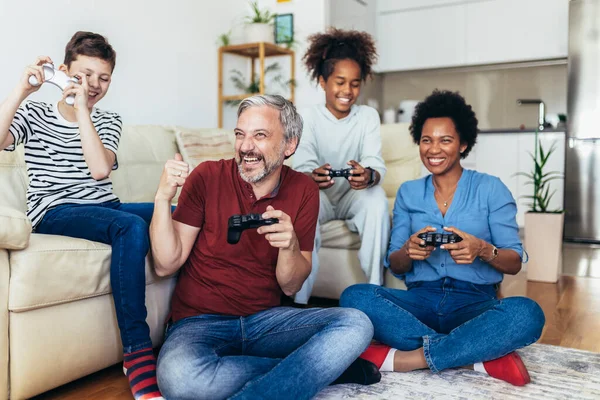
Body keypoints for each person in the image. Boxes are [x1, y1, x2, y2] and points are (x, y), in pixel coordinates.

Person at [150, 95, 380, 400]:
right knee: (180, 379)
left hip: (268, 322)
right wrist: (162, 198)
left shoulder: (303, 189)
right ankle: (318, 370)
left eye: (259, 135)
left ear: (289, 145)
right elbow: (166, 264)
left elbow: (292, 283)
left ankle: (291, 378)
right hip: (199, 322)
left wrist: (290, 246)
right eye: (240, 134)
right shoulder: (207, 176)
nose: (246, 147)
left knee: (356, 323)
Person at [340, 90, 546, 386]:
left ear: (463, 144)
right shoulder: (409, 193)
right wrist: (409, 251)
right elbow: (395, 265)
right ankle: (476, 353)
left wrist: (484, 250)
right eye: (426, 140)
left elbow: (513, 263)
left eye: (445, 140)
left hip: (474, 304)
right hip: (419, 303)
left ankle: (407, 358)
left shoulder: (491, 189)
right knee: (355, 297)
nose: (433, 149)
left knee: (527, 314)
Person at [0, 32, 163, 400]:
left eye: (103, 78)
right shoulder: (36, 113)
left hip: (104, 208)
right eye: (85, 75)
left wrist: (84, 112)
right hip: (55, 212)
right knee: (132, 226)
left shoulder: (109, 119)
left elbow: (99, 168)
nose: (94, 85)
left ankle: (193, 320)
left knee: (180, 215)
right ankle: (137, 353)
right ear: (64, 71)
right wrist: (21, 91)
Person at [292, 28, 389, 304]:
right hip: (318, 195)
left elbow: (374, 161)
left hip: (351, 196)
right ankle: (298, 302)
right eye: (340, 82)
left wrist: (368, 175)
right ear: (323, 82)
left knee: (376, 199)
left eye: (355, 83)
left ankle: (375, 291)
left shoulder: (367, 116)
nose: (348, 91)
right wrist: (313, 176)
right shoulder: (306, 117)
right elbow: (302, 164)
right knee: (303, 200)